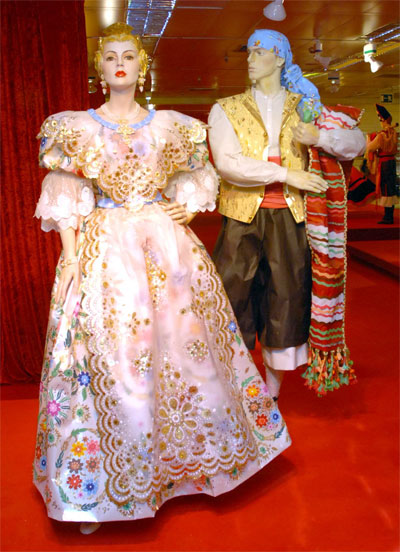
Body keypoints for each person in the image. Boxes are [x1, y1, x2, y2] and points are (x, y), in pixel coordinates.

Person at [33, 23, 290, 534]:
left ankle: (189, 469)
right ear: (100, 67)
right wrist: (71, 258)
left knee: (183, 351)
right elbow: (64, 191)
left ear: (143, 66)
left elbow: (199, 174)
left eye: (129, 56)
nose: (120, 64)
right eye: (111, 57)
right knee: (115, 357)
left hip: (168, 251)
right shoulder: (76, 129)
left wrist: (187, 209)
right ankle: (101, 489)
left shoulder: (172, 127)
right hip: (106, 251)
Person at [208, 29, 365, 399]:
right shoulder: (226, 108)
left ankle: (272, 391)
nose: (250, 59)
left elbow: (357, 142)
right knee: (232, 296)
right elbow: (228, 164)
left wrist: (320, 138)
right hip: (241, 217)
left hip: (293, 218)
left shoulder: (307, 106)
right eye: (249, 52)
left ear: (280, 58)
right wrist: (286, 174)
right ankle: (233, 384)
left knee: (286, 299)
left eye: (259, 52)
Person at [365, 104, 398, 224]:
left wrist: (368, 138)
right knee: (390, 188)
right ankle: (389, 215)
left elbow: (370, 148)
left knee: (385, 188)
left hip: (384, 164)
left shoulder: (381, 135)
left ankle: (388, 217)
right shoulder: (393, 132)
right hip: (391, 162)